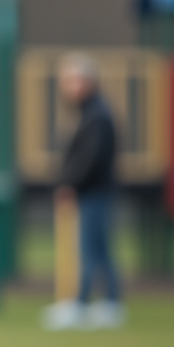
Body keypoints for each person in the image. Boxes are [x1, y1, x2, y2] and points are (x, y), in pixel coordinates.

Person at [46, 52, 122, 329]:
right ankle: (108, 302)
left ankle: (84, 304)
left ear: (87, 81)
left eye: (73, 80)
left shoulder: (97, 116)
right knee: (98, 247)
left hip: (94, 191)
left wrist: (70, 183)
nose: (68, 87)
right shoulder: (91, 112)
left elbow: (90, 158)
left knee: (91, 248)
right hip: (93, 191)